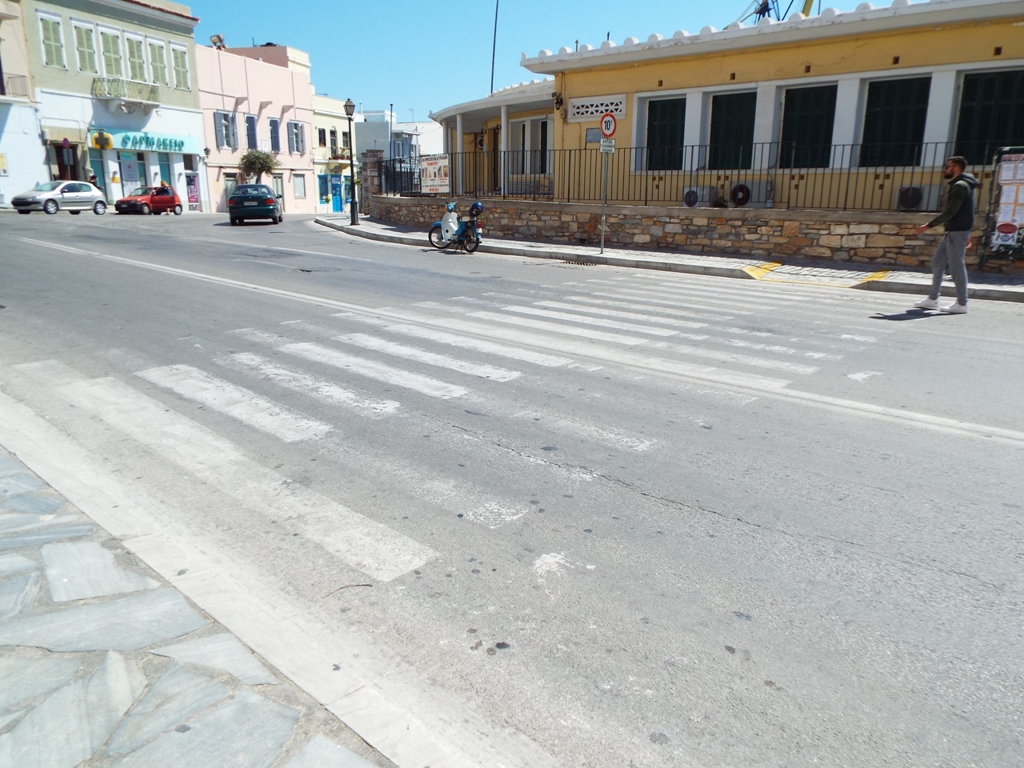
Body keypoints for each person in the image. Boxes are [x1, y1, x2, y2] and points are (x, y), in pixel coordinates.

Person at [914, 156, 979, 314]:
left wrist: (928, 225)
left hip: (957, 231)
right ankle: (933, 299)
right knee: (938, 261)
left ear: (956, 168)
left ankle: (962, 303)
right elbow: (969, 210)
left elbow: (951, 211)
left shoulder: (960, 185)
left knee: (956, 267)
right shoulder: (963, 184)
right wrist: (968, 232)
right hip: (955, 231)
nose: (945, 169)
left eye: (948, 166)